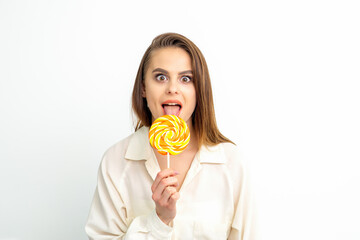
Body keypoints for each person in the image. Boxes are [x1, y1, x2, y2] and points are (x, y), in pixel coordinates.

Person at [85, 33, 258, 239]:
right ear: (143, 88)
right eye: (161, 77)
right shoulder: (116, 162)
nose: (173, 89)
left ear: (199, 90)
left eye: (186, 79)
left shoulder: (231, 163)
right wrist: (159, 220)